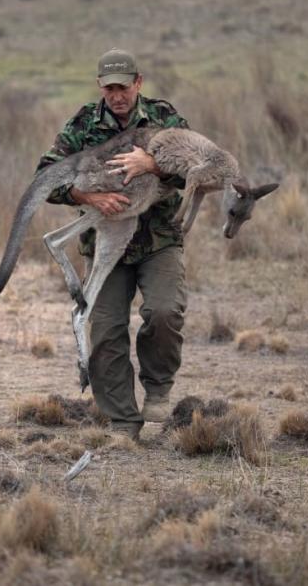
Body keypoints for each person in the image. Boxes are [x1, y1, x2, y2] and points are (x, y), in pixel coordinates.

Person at [36, 48, 189, 441]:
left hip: (158, 238)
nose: (117, 95)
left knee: (164, 312)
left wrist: (151, 165)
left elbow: (194, 171)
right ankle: (123, 422)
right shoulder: (83, 124)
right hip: (106, 243)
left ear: (138, 83)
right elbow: (45, 178)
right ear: (100, 87)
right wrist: (89, 199)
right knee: (105, 330)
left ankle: (158, 391)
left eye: (123, 86)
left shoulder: (164, 118)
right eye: (109, 88)